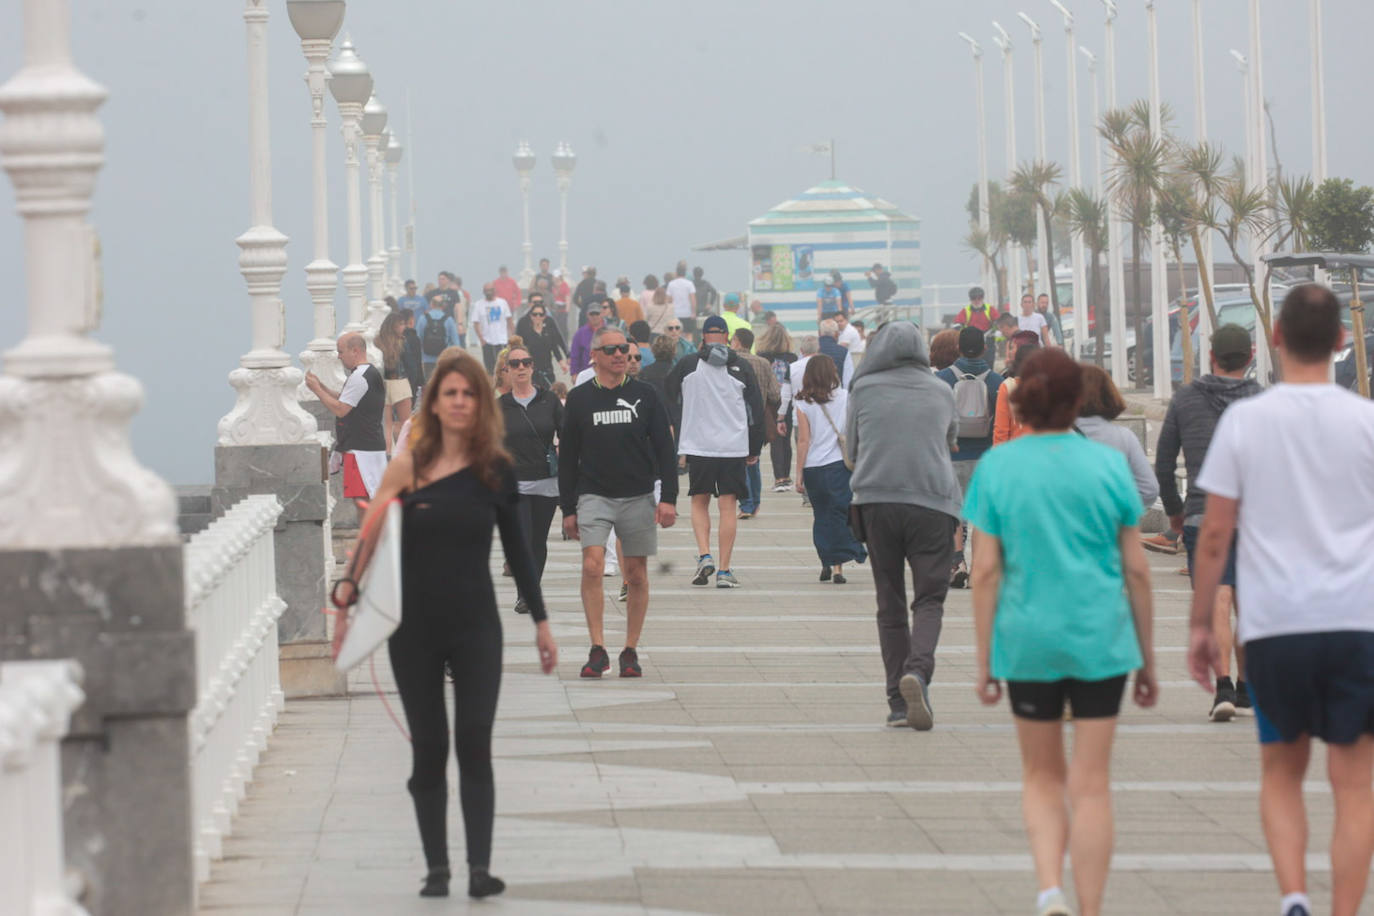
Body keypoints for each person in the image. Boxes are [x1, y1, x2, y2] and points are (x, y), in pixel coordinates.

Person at [329, 350, 557, 901]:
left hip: (477, 623)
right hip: (415, 629)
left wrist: (542, 622)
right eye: (449, 393)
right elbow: (372, 533)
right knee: (429, 748)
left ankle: (479, 868)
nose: (459, 401)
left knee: (474, 742)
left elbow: (520, 552)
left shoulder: (494, 467)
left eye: (468, 394)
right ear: (436, 403)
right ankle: (437, 869)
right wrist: (346, 599)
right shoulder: (409, 466)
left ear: (481, 403)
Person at [1185, 286, 1374, 916]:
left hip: (1274, 629)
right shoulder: (1366, 421)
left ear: (1277, 339)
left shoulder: (1246, 422)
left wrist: (1200, 624)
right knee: (1355, 788)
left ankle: (1294, 897)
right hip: (1356, 624)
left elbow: (1215, 533)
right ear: (1342, 341)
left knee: (1281, 774)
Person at [967, 347, 1157, 916]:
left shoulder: (998, 467)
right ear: (1078, 400)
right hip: (1101, 638)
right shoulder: (1105, 465)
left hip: (1026, 641)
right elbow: (1139, 572)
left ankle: (1050, 888)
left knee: (1041, 775)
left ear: (1020, 398)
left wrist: (984, 662)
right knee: (1092, 783)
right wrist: (1147, 660)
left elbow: (983, 572)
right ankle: (1091, 906)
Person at [848, 321, 960, 728]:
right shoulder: (941, 390)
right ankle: (918, 670)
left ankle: (898, 700)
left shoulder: (862, 389)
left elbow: (851, 453)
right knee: (929, 599)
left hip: (877, 504)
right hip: (932, 504)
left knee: (889, 601)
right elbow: (951, 442)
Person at [560, 325, 679, 679]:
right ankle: (597, 648)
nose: (619, 356)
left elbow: (664, 448)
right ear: (594, 356)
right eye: (611, 350)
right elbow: (567, 456)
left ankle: (630, 649)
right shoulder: (580, 398)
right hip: (593, 495)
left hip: (637, 495)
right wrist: (568, 508)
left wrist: (668, 498)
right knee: (593, 566)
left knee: (636, 574)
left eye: (624, 350)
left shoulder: (645, 394)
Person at [1157, 324, 1260, 720]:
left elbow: (1164, 464)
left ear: (1212, 356)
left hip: (1203, 514)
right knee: (1249, 600)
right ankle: (1248, 689)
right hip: (1253, 516)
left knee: (1218, 595)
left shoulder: (1185, 399)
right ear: (1250, 357)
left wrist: (1175, 513)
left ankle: (1223, 689)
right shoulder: (1261, 400)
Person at [666, 315, 765, 588]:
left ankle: (704, 555)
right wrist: (753, 447)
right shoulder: (741, 366)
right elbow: (756, 411)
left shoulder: (688, 364)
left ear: (703, 336)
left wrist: (681, 422)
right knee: (728, 506)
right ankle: (724, 570)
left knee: (699, 501)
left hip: (699, 446)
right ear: (725, 336)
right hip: (733, 447)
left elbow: (668, 392)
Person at [936, 326, 1004, 589]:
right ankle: (978, 570)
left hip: (952, 455)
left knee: (954, 512)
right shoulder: (996, 381)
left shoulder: (942, 379)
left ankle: (957, 563)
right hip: (985, 456)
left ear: (958, 348)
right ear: (985, 349)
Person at [498, 346, 563, 616]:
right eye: (515, 364)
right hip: (515, 485)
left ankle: (531, 589)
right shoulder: (500, 406)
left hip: (547, 482)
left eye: (526, 362)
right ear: (507, 370)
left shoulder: (549, 401)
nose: (521, 367)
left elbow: (567, 433)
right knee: (522, 539)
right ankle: (525, 594)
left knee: (538, 541)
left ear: (533, 366)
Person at [794, 355, 866, 584]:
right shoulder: (846, 397)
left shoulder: (802, 402)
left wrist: (799, 473)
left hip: (813, 467)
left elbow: (803, 440)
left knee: (821, 515)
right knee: (839, 513)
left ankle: (825, 560)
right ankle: (838, 568)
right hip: (838, 465)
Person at [305, 332, 388, 513]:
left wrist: (317, 390)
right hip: (367, 445)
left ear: (355, 351)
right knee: (366, 501)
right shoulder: (368, 372)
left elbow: (341, 409)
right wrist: (322, 386)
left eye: (341, 351)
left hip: (361, 449)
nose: (339, 356)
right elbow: (346, 398)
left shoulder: (359, 377)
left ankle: (368, 540)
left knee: (363, 503)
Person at [1076, 366, 1158, 509]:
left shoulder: (1055, 437)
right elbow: (1149, 490)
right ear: (1109, 395)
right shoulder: (1124, 437)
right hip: (1111, 528)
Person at [731, 327, 781, 520]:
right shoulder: (763, 363)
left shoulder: (730, 361)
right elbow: (775, 394)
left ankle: (746, 504)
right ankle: (755, 503)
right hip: (757, 420)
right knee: (753, 461)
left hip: (734, 418)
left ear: (736, 341)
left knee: (739, 462)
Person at [756, 324, 797, 493]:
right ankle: (786, 476)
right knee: (786, 439)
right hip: (788, 401)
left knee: (775, 439)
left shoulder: (761, 357)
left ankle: (779, 477)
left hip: (770, 402)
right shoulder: (792, 358)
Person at [992, 333, 1041, 445]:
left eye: (1012, 348)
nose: (1009, 351)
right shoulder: (1052, 386)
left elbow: (1001, 430)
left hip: (1016, 454)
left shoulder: (1008, 386)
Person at [515, 292, 568, 388]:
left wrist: (564, 358)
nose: (538, 316)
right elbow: (517, 345)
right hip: (529, 369)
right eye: (535, 314)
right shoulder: (522, 322)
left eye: (541, 314)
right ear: (529, 304)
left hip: (547, 368)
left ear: (544, 315)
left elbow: (556, 341)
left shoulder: (549, 322)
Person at [377, 311, 414, 448]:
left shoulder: (378, 341)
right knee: (406, 424)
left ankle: (388, 453)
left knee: (387, 425)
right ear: (393, 326)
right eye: (401, 324)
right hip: (400, 384)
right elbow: (411, 367)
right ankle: (405, 452)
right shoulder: (402, 342)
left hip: (384, 385)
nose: (404, 327)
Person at [473, 284, 514, 374]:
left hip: (502, 340)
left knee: (504, 367)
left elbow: (509, 320)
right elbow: (476, 323)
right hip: (487, 341)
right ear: (483, 292)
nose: (489, 292)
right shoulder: (479, 304)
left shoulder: (502, 303)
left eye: (491, 290)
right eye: (486, 290)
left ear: (494, 290)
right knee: (490, 368)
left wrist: (512, 336)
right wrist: (481, 339)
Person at [416, 299, 460, 383]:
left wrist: (419, 359)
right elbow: (455, 342)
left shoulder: (423, 318)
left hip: (427, 358)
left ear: (431, 304)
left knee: (430, 384)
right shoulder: (449, 319)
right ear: (443, 306)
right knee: (443, 384)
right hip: (444, 358)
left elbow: (418, 339)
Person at [817, 318, 855, 388]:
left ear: (819, 333)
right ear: (837, 334)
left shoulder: (810, 350)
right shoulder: (844, 352)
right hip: (837, 395)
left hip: (812, 395)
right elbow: (848, 381)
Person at [568, 303, 604, 376]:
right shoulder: (580, 333)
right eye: (592, 314)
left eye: (597, 313)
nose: (594, 316)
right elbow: (574, 355)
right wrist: (574, 374)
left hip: (606, 373)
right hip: (585, 375)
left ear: (602, 314)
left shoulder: (609, 331)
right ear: (587, 315)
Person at [667, 267, 698, 341]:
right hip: (687, 313)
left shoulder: (671, 284)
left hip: (675, 314)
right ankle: (689, 350)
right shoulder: (689, 284)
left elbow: (668, 300)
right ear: (685, 274)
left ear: (676, 273)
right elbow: (693, 299)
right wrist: (693, 312)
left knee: (675, 334)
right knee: (689, 334)